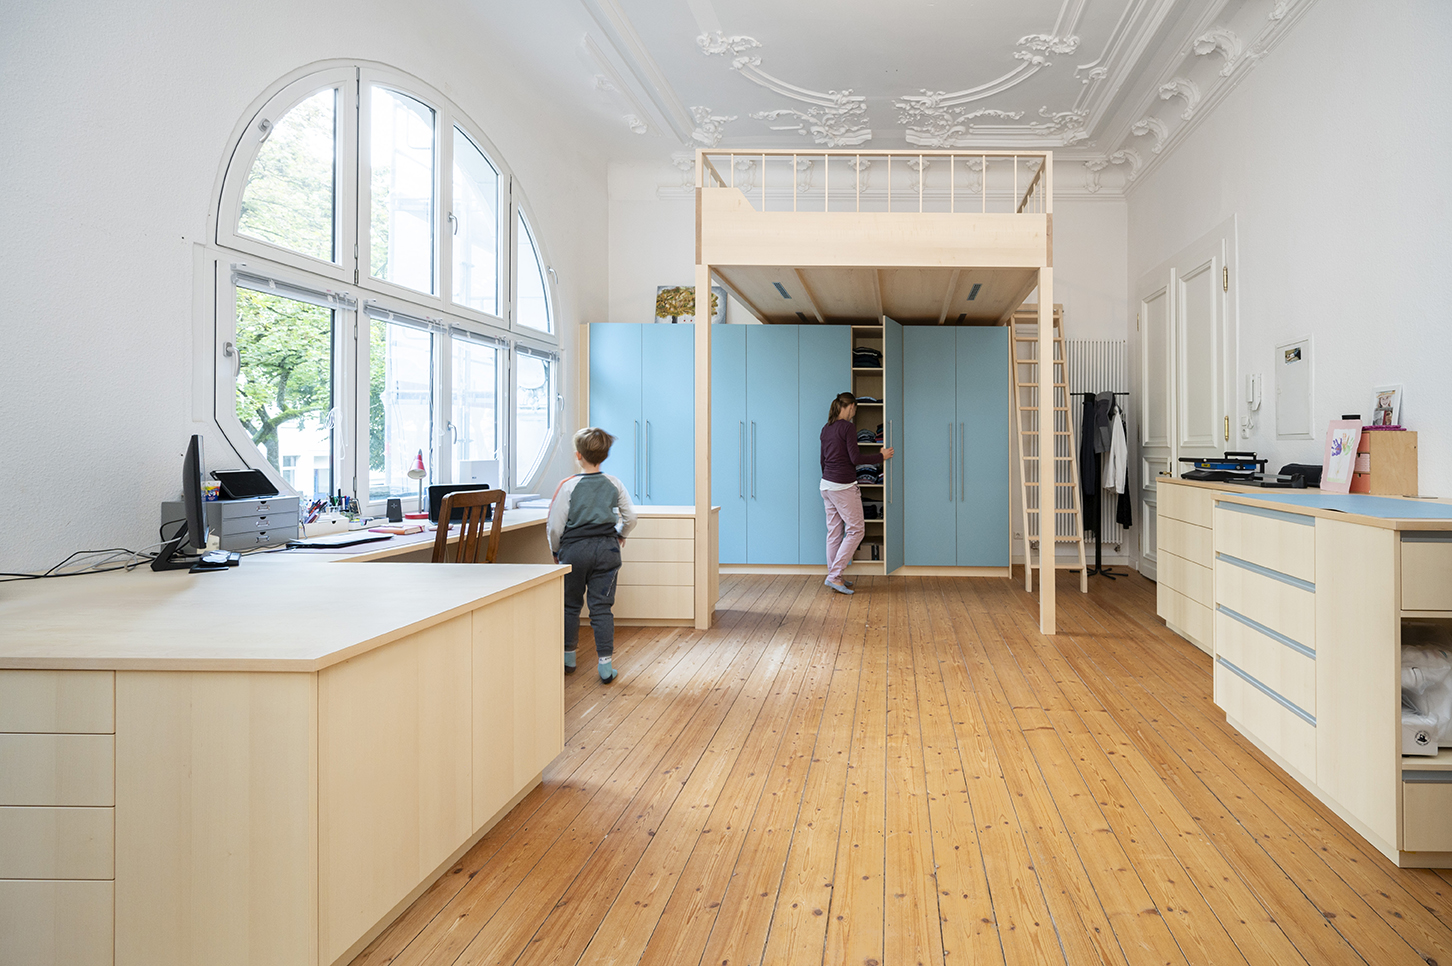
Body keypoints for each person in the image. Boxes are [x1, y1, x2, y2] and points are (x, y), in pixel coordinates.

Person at [547, 427, 637, 682]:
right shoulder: (614, 483)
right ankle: (605, 667)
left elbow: (555, 526)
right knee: (602, 608)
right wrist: (620, 534)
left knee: (570, 604)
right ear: (605, 455)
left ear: (578, 455)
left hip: (574, 551)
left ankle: (568, 659)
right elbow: (631, 517)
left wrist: (556, 550)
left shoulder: (568, 486)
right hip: (607, 551)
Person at [819, 391, 894, 595]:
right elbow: (855, 458)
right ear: (851, 406)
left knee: (834, 532)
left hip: (826, 485)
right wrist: (880, 455)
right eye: (855, 410)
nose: (854, 413)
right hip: (842, 486)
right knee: (856, 530)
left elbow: (822, 460)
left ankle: (834, 575)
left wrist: (830, 479)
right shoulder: (847, 427)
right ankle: (834, 576)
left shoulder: (826, 428)